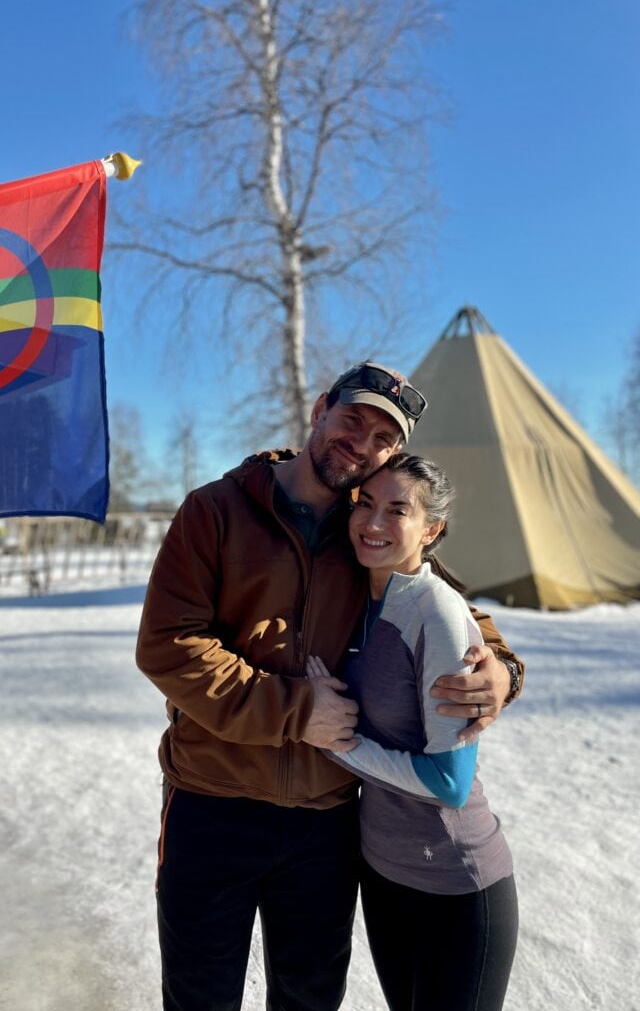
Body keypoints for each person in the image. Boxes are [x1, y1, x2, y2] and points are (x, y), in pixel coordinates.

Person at [136, 361, 524, 1011]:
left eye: (383, 438)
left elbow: (450, 607)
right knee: (200, 998)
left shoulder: (367, 527)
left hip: (326, 825)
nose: (362, 443)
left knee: (310, 1000)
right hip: (214, 801)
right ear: (322, 409)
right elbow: (168, 647)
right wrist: (295, 711)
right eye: (354, 419)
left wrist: (503, 669)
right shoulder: (217, 510)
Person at [307, 452, 517, 1011]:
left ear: (432, 529)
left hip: (455, 877)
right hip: (382, 871)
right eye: (365, 504)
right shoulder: (356, 596)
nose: (373, 523)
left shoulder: (437, 613)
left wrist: (339, 744)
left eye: (397, 510)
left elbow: (449, 780)